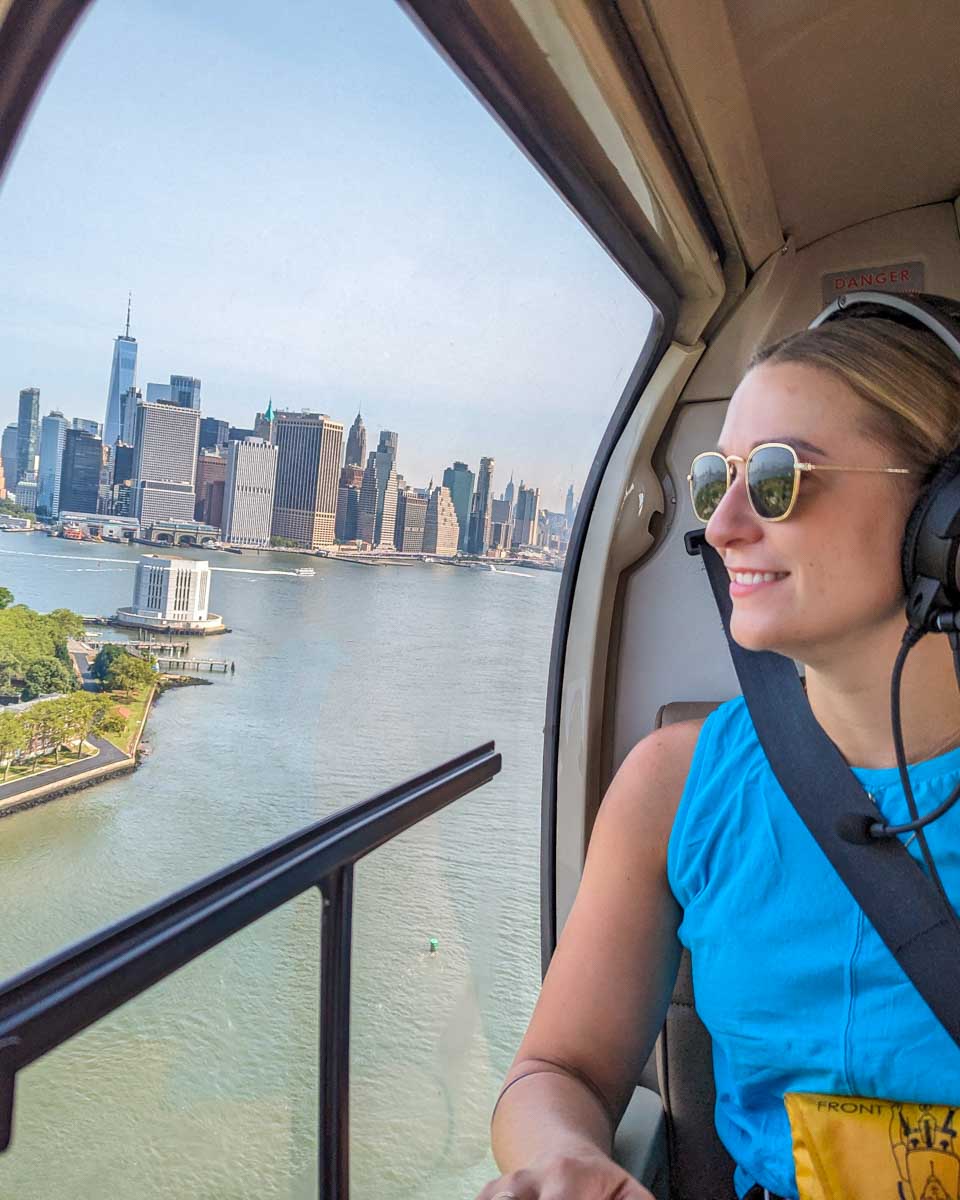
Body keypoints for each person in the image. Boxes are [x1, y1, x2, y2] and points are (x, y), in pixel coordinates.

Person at [477, 306, 960, 1200]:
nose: (725, 525)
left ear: (944, 516)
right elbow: (557, 1070)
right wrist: (567, 1156)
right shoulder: (673, 787)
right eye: (717, 479)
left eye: (777, 478)